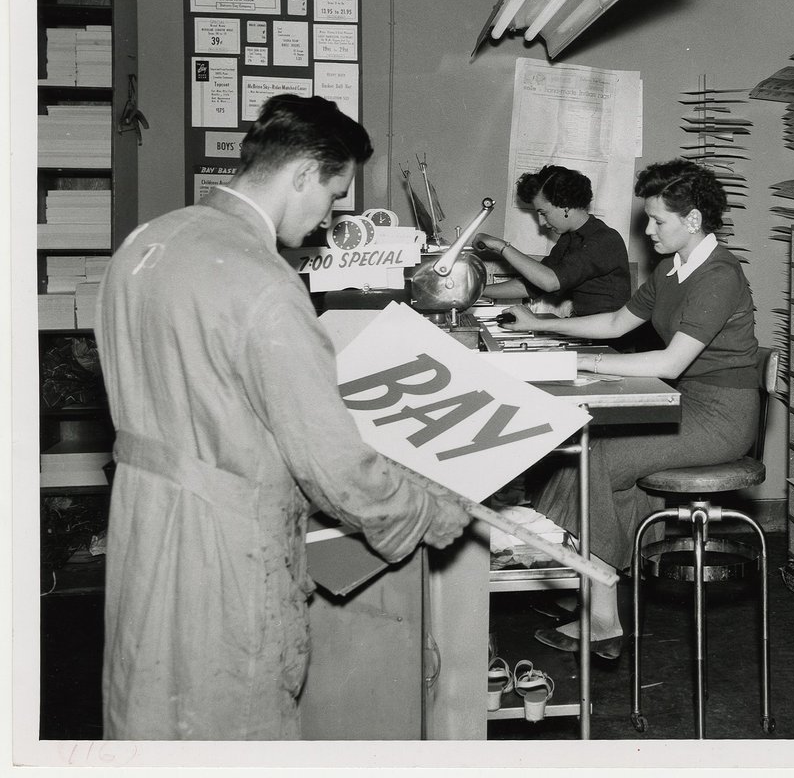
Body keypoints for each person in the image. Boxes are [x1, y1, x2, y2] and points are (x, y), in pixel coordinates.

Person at [95, 94, 470, 740]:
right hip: (225, 546)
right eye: (333, 195)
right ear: (301, 174)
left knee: (151, 713)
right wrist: (425, 513)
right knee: (236, 721)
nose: (329, 218)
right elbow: (334, 466)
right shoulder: (264, 282)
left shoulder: (144, 244)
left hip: (141, 526)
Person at [502, 159, 759, 657]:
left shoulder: (719, 274)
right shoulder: (671, 269)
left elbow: (671, 360)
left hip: (722, 417)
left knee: (596, 457)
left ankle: (603, 616)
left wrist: (585, 362)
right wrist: (540, 326)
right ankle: (603, 588)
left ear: (693, 220)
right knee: (589, 449)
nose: (648, 230)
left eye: (658, 220)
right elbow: (617, 322)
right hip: (684, 402)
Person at [475, 164, 631, 317]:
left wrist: (501, 246)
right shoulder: (569, 239)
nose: (542, 222)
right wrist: (475, 291)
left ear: (566, 206)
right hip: (586, 326)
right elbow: (531, 286)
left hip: (609, 331)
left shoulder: (604, 240)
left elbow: (550, 282)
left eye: (543, 213)